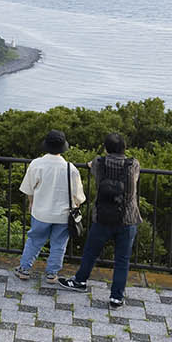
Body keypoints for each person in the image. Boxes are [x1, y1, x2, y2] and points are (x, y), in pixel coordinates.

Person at [60, 132, 140, 308]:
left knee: (90, 252)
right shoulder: (132, 164)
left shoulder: (98, 163)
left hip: (102, 216)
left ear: (106, 148)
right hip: (127, 218)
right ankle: (116, 297)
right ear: (124, 148)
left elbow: (92, 165)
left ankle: (80, 281)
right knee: (122, 259)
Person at [14, 130, 84, 281]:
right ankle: (51, 273)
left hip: (40, 212)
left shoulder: (36, 164)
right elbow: (79, 197)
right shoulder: (71, 169)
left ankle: (24, 269)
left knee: (34, 240)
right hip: (63, 215)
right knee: (59, 244)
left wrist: (31, 203)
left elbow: (29, 189)